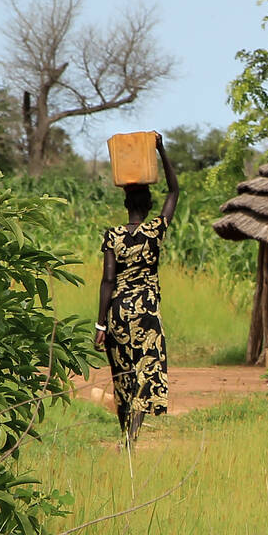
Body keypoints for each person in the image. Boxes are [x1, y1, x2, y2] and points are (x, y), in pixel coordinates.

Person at [93, 135, 178, 444]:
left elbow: (107, 281)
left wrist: (101, 323)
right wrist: (160, 149)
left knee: (122, 375)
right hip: (145, 314)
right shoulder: (155, 231)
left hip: (116, 313)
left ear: (126, 204)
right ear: (150, 205)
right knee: (146, 373)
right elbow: (174, 189)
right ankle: (131, 438)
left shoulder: (113, 236)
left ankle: (123, 432)